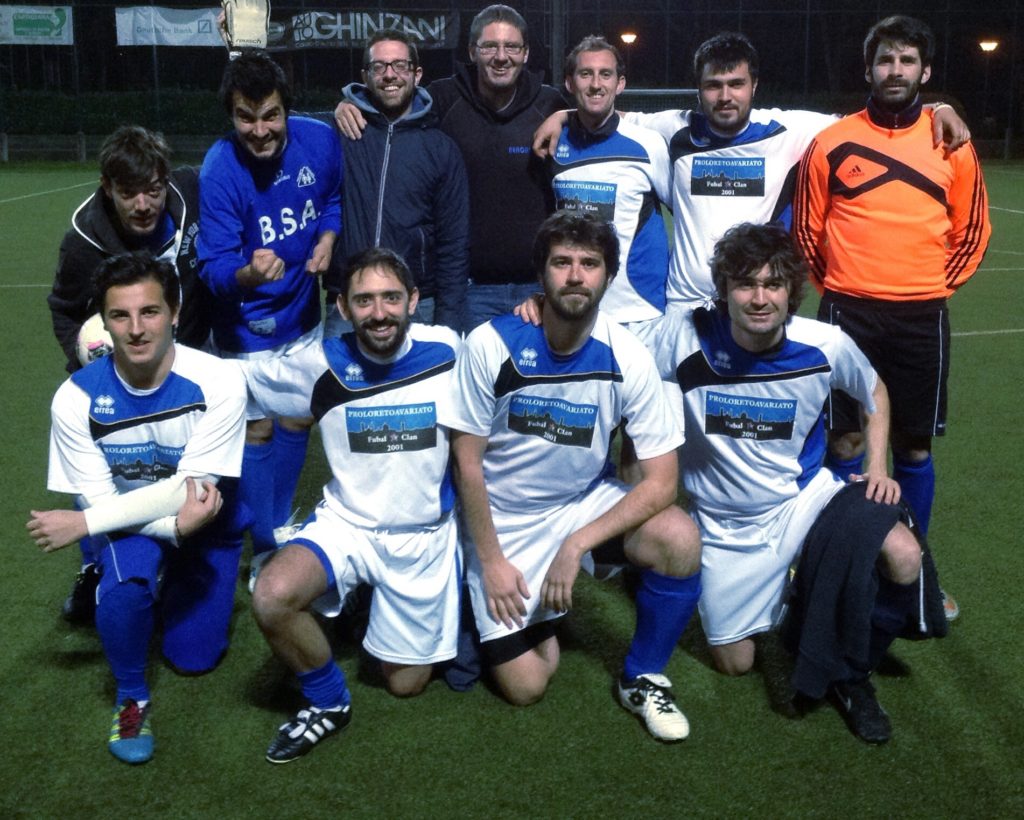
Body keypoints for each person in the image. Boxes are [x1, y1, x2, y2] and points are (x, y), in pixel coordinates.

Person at [650, 222, 931, 744]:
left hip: (803, 501)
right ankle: (801, 598)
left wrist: (877, 466)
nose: (760, 298)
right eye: (745, 285)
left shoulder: (824, 344)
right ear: (723, 291)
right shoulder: (682, 337)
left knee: (902, 555)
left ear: (791, 292)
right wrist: (539, 308)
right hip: (722, 523)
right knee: (735, 663)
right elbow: (608, 349)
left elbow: (874, 389)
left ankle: (852, 673)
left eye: (774, 284)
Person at [446, 211, 702, 742]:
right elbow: (466, 461)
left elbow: (662, 482)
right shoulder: (491, 343)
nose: (576, 275)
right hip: (501, 517)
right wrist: (492, 562)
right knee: (527, 685)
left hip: (576, 506)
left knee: (679, 538)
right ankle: (495, 598)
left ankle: (643, 676)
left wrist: (575, 545)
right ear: (541, 274)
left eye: (590, 264)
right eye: (562, 262)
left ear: (609, 275)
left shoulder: (628, 356)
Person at [534, 31, 970, 308]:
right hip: (685, 305)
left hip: (754, 301)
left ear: (753, 86)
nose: (725, 96)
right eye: (713, 85)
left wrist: (934, 106)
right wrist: (563, 115)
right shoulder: (673, 129)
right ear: (699, 90)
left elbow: (866, 125)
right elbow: (605, 113)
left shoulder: (788, 129)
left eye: (736, 84)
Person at [793, 15, 991, 621]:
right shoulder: (831, 141)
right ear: (868, 69)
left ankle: (914, 568)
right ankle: (843, 559)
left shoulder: (950, 142)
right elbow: (808, 229)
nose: (896, 71)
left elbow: (972, 230)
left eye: (908, 61)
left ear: (925, 73)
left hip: (920, 317)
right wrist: (843, 290)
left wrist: (929, 289)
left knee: (913, 448)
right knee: (846, 440)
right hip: (847, 312)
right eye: (886, 61)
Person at [28, 253, 248, 764]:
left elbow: (193, 494)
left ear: (175, 311)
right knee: (124, 590)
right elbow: (111, 503)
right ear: (102, 323)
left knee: (193, 658)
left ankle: (157, 575)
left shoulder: (218, 381)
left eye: (150, 312)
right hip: (137, 521)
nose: (136, 329)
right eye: (120, 316)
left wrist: (84, 524)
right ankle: (132, 696)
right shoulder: (75, 398)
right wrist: (170, 528)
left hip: (209, 523)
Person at [244, 247, 462, 763]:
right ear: (342, 307)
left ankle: (358, 605)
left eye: (391, 298)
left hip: (422, 538)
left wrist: (534, 306)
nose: (379, 312)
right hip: (347, 525)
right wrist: (149, 353)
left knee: (405, 684)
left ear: (413, 301)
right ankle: (328, 701)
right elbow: (234, 381)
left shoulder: (450, 351)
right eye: (364, 300)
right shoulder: (321, 364)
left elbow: (514, 354)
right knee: (272, 595)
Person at [48, 125, 213, 625]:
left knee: (185, 462)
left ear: (167, 181)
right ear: (106, 188)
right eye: (129, 193)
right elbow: (63, 309)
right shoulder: (82, 242)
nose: (144, 204)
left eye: (153, 190)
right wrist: (88, 364)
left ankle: (189, 550)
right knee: (110, 470)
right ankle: (97, 563)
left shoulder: (191, 194)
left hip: (191, 350)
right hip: (117, 369)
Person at [338, 5, 567, 328]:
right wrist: (349, 104)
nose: (501, 56)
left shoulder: (550, 104)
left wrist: (566, 115)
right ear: (473, 51)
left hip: (537, 288)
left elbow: (600, 118)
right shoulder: (443, 98)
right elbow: (392, 105)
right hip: (469, 289)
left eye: (512, 46)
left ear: (526, 53)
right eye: (489, 46)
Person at [197, 51, 342, 559]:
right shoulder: (218, 169)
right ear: (231, 116)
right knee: (257, 429)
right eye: (245, 117)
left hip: (303, 319)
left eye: (270, 115)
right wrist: (248, 273)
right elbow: (212, 268)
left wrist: (327, 236)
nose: (259, 130)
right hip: (245, 332)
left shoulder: (319, 139)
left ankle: (278, 521)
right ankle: (261, 548)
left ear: (288, 110)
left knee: (300, 418)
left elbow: (332, 198)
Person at [316, 29, 470, 335]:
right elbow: (275, 119)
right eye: (379, 67)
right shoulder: (339, 132)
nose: (390, 75)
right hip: (349, 303)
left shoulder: (440, 148)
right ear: (365, 75)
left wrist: (448, 325)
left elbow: (453, 244)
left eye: (400, 65)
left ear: (417, 74)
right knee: (345, 383)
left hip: (417, 304)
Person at [549, 35, 672, 333]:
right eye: (585, 73)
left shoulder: (648, 144)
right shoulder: (552, 143)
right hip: (577, 307)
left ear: (620, 84)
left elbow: (684, 213)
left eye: (606, 74)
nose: (595, 84)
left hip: (641, 311)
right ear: (569, 82)